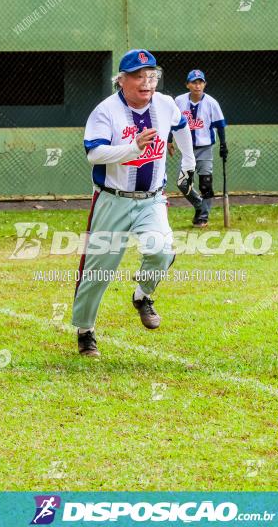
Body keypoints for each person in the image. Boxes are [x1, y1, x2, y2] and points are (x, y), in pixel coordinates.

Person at [72, 49, 196, 356]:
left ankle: (142, 296)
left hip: (152, 199)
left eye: (151, 76)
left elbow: (181, 128)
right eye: (138, 77)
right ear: (122, 80)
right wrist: (132, 148)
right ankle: (85, 330)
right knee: (98, 271)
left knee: (162, 250)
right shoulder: (106, 111)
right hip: (113, 201)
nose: (146, 83)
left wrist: (189, 162)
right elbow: (94, 154)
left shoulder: (166, 105)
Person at [170, 69, 227, 227]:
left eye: (200, 82)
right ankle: (200, 205)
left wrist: (223, 144)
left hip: (205, 148)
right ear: (187, 84)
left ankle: (203, 217)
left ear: (205, 84)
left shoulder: (211, 102)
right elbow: (171, 122)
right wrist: (169, 141)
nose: (197, 85)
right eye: (194, 82)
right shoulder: (179, 101)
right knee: (183, 183)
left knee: (205, 183)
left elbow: (219, 125)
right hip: (187, 149)